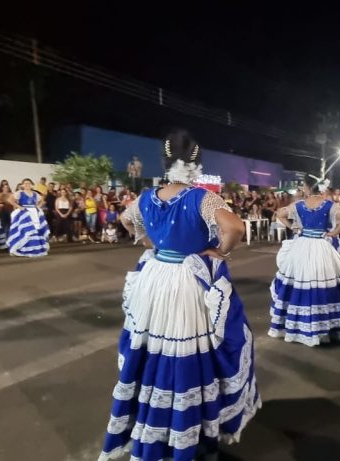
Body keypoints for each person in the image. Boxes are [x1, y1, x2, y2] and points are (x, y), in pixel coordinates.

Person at [99, 129, 259, 461]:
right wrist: (219, 252)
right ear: (196, 164)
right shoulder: (201, 197)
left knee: (152, 352)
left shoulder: (147, 196)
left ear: (165, 161)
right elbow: (236, 228)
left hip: (156, 280)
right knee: (192, 354)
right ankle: (191, 432)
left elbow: (127, 220)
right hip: (188, 280)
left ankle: (155, 431)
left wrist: (149, 242)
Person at [270, 179, 340, 346]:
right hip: (321, 246)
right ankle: (323, 327)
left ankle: (299, 326)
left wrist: (292, 226)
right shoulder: (329, 204)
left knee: (299, 282)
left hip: (302, 245)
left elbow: (279, 214)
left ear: (307, 187)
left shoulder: (300, 204)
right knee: (322, 282)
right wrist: (335, 232)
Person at [6, 178, 49, 257]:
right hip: (24, 213)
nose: (27, 185)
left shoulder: (35, 194)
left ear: (32, 185)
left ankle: (34, 248)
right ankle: (22, 248)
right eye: (25, 183)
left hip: (34, 213)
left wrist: (38, 206)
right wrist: (19, 207)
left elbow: (42, 200)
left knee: (35, 229)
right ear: (22, 185)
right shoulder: (20, 193)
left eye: (28, 183)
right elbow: (10, 200)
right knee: (26, 230)